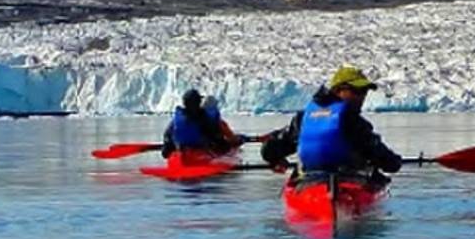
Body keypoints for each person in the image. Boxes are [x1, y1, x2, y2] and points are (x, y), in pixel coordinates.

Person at [261, 66, 403, 181]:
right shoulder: (354, 122)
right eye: (356, 91)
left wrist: (275, 159)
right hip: (348, 184)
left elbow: (270, 148)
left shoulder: (304, 117)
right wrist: (395, 162)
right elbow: (383, 158)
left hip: (309, 184)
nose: (361, 97)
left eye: (364, 91)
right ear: (338, 90)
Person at [161, 89, 239, 161]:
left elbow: (167, 134)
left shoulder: (178, 118)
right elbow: (215, 134)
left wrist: (167, 146)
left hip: (183, 150)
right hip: (202, 150)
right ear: (198, 102)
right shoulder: (205, 117)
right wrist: (230, 143)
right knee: (226, 144)